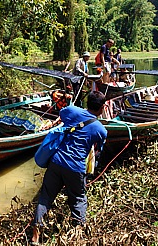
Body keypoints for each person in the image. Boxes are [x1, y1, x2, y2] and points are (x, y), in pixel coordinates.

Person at [31, 91, 108, 245]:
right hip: (75, 167)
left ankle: (35, 236)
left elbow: (63, 113)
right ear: (102, 107)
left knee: (45, 197)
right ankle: (77, 236)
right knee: (78, 199)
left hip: (56, 161)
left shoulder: (73, 111)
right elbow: (99, 151)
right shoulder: (101, 130)